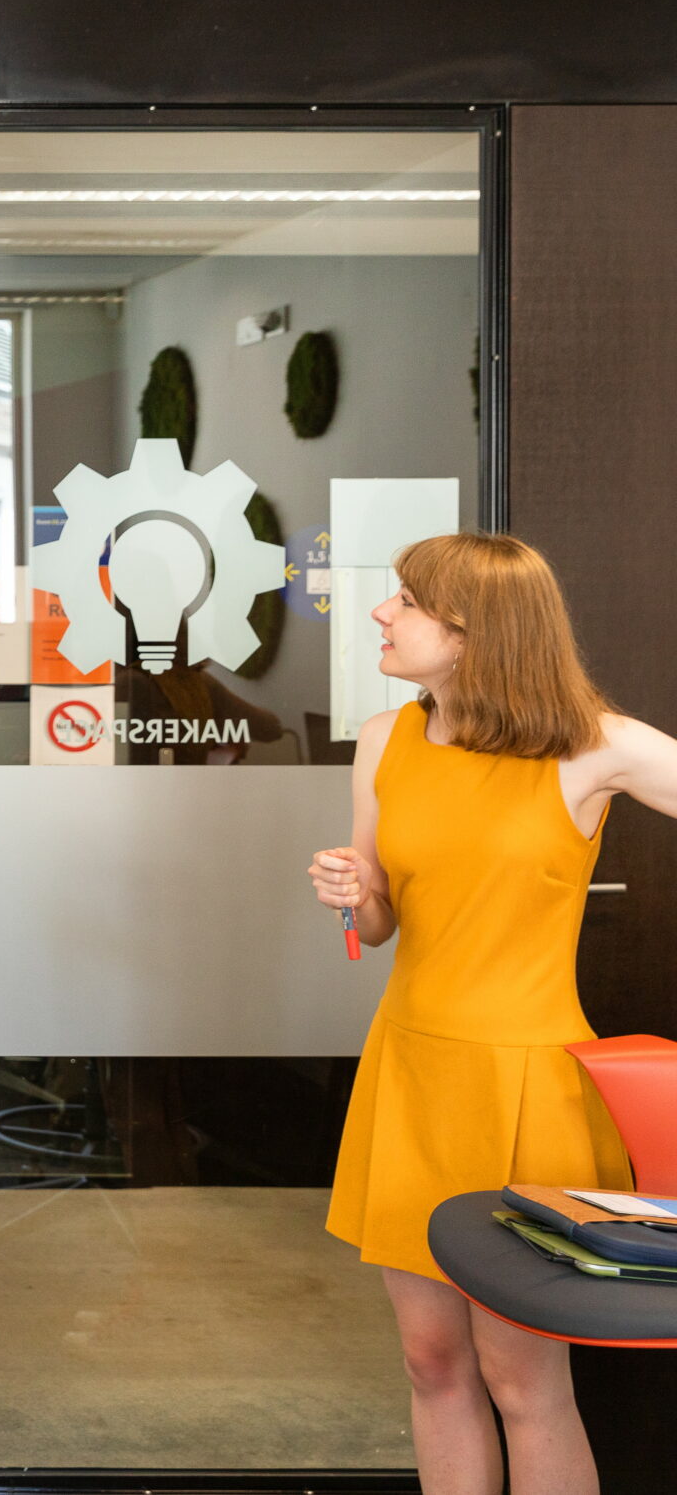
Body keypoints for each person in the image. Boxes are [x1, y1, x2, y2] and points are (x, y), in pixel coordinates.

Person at [309, 533, 677, 1495]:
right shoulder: (386, 738)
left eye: (405, 601)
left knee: (524, 1377)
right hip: (412, 1073)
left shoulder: (598, 743)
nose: (383, 615)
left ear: (475, 631)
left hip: (529, 1088)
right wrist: (356, 891)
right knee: (432, 1363)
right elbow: (383, 919)